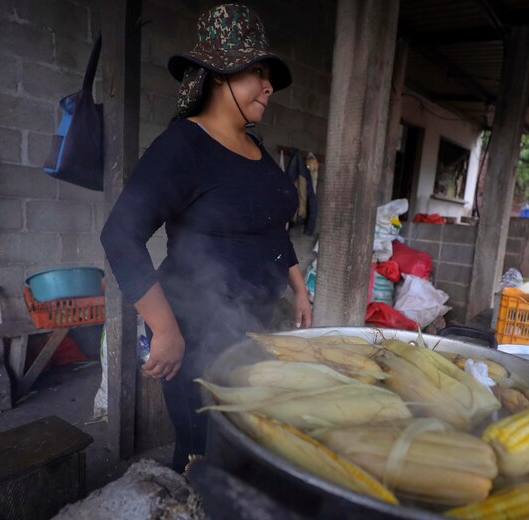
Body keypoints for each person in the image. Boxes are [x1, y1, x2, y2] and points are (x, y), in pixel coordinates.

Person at [100, 3, 312, 472]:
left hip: (254, 326)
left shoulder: (255, 148)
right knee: (204, 453)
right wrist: (165, 328)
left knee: (246, 445)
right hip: (197, 332)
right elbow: (120, 235)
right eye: (258, 72)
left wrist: (298, 287)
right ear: (220, 75)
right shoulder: (185, 146)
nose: (268, 85)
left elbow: (271, 224)